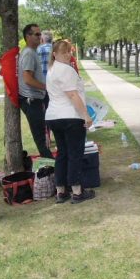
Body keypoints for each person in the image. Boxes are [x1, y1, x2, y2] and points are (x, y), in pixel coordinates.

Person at [46, 39, 96, 204]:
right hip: (70, 116)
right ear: (55, 54)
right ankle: (76, 191)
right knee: (74, 154)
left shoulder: (51, 70)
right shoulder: (66, 70)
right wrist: (86, 116)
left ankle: (61, 191)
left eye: (69, 51)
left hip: (54, 116)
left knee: (62, 154)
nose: (68, 55)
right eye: (64, 52)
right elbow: (73, 95)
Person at [18, 23, 53, 158]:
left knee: (43, 135)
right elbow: (28, 79)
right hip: (30, 100)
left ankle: (51, 163)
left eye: (40, 34)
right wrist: (46, 87)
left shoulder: (33, 52)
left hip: (36, 98)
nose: (40, 37)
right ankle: (51, 166)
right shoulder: (28, 54)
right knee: (41, 139)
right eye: (37, 34)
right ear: (28, 36)